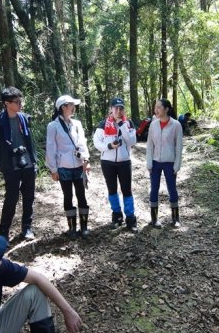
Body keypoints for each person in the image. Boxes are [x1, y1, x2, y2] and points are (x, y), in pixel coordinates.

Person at [0, 87, 37, 241]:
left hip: (27, 162)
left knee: (29, 197)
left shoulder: (24, 118)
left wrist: (33, 161)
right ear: (7, 103)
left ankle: (26, 228)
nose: (20, 104)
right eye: (16, 101)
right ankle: (3, 233)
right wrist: (3, 162)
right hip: (11, 166)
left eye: (20, 100)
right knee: (11, 199)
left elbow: (30, 141)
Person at [46, 94, 92, 238]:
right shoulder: (53, 126)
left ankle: (84, 227)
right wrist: (53, 169)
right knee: (68, 196)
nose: (73, 108)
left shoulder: (76, 124)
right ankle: (72, 228)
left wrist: (86, 160)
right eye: (71, 105)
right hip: (63, 167)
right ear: (63, 107)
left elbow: (82, 143)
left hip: (78, 166)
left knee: (81, 195)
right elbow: (51, 147)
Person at [93, 97, 138, 231]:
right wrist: (109, 146)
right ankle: (117, 216)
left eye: (121, 108)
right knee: (112, 190)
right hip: (107, 162)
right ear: (111, 110)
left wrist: (122, 126)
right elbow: (97, 143)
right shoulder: (103, 124)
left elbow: (132, 141)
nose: (118, 111)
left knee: (127, 190)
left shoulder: (128, 123)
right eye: (116, 108)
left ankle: (130, 219)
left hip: (124, 162)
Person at [145, 98, 184, 228]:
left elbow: (178, 147)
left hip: (170, 162)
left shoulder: (176, 125)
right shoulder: (153, 124)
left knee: (172, 189)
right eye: (155, 108)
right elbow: (150, 145)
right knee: (154, 189)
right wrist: (149, 163)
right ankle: (154, 218)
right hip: (155, 162)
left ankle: (175, 218)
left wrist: (177, 165)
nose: (156, 110)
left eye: (158, 107)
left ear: (166, 109)